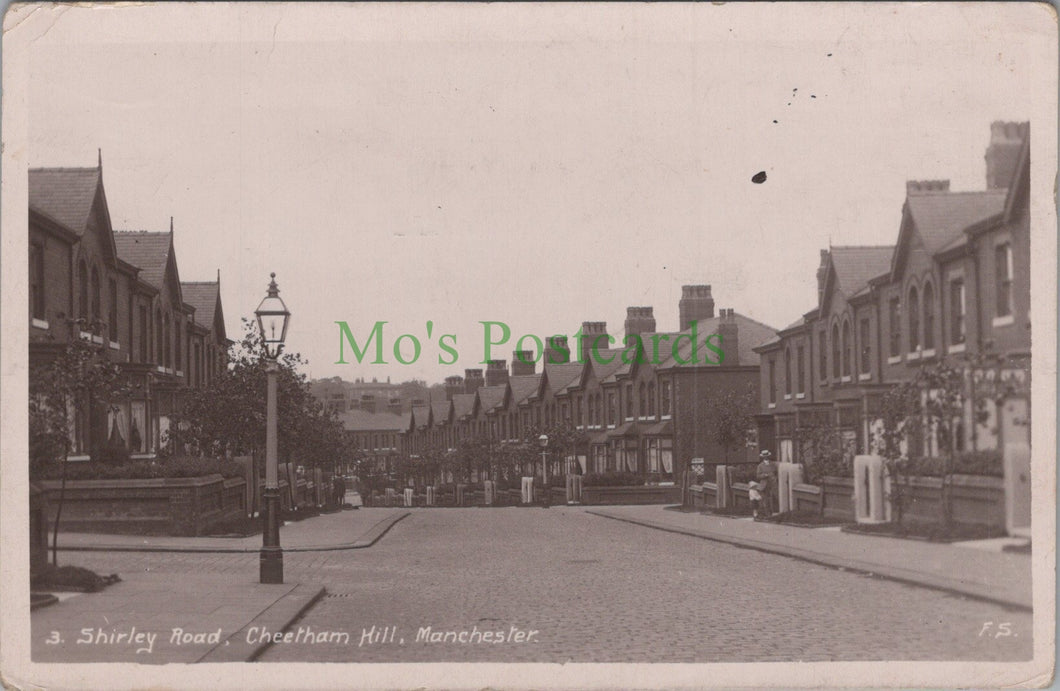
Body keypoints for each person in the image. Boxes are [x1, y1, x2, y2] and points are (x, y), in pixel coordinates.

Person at [755, 449, 777, 517]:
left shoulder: (773, 464)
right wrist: (764, 475)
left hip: (773, 483)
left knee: (773, 498)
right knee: (766, 499)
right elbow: (758, 476)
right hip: (764, 485)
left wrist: (775, 478)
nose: (766, 457)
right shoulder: (760, 466)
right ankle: (768, 514)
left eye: (767, 456)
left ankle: (774, 513)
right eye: (765, 456)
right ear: (763, 457)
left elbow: (776, 472)